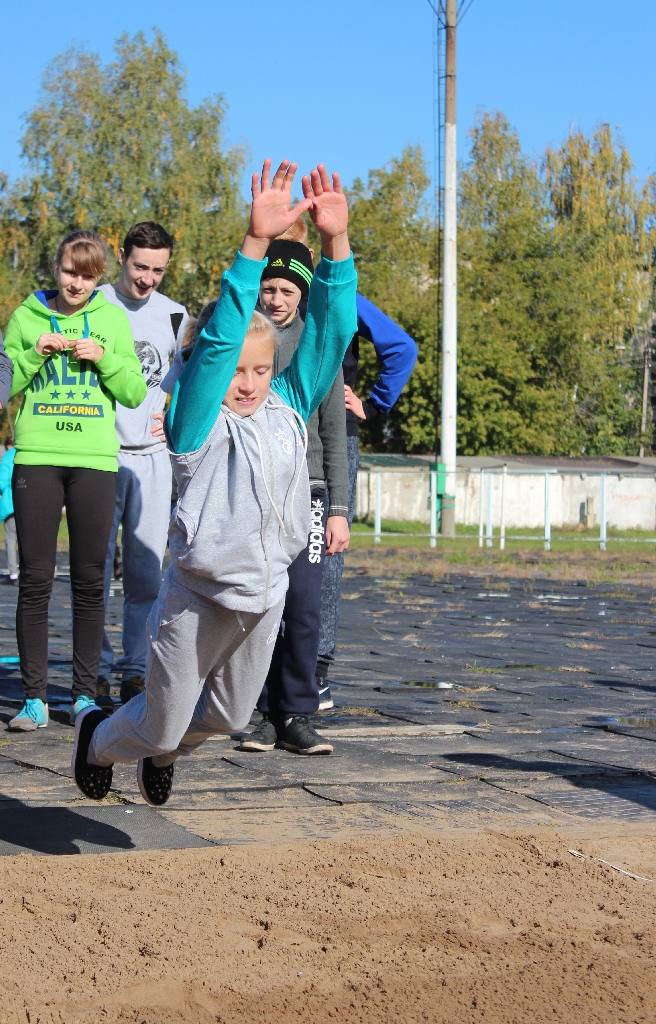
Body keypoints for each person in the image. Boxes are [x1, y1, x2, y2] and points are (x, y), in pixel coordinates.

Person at [70, 158, 357, 807]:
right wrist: (254, 243)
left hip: (265, 595)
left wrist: (336, 243)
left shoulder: (289, 404)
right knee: (160, 722)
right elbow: (224, 338)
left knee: (226, 719)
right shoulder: (198, 423)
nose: (248, 383)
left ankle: (162, 750)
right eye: (236, 371)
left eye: (261, 370)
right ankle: (97, 741)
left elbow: (332, 331)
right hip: (199, 599)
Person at [3, 230, 147, 731]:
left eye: (87, 276)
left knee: (90, 581)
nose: (76, 283)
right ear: (56, 268)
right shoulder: (26, 317)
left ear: (98, 277)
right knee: (35, 580)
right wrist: (33, 354)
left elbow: (134, 392)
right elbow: (3, 386)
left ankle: (84, 696)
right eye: (69, 271)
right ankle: (34, 700)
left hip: (95, 462)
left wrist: (104, 358)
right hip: (37, 459)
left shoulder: (112, 319)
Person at [237, 236, 349, 756]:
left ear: (303, 293)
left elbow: (333, 434)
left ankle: (297, 714)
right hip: (255, 490)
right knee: (262, 604)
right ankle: (260, 711)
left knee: (304, 605)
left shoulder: (318, 348)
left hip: (310, 493)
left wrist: (339, 511)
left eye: (287, 290)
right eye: (269, 288)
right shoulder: (243, 338)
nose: (276, 299)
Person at [97, 223, 190, 710]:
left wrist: (173, 414)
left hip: (153, 461)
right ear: (120, 256)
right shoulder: (94, 304)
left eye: (158, 270)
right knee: (92, 574)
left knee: (146, 576)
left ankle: (134, 671)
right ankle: (92, 673)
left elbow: (188, 379)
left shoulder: (176, 315)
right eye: (140, 266)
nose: (147, 279)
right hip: (98, 456)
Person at [316, 296, 418, 702]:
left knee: (327, 546)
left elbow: (402, 348)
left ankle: (316, 671)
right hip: (279, 426)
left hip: (336, 434)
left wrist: (373, 406)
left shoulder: (341, 294)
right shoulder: (266, 291)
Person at [0, 436, 17, 583]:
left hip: (11, 503)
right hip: (30, 503)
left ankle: (13, 573)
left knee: (11, 539)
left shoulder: (7, 457)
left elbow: (2, 481)